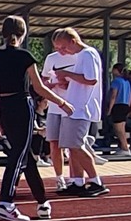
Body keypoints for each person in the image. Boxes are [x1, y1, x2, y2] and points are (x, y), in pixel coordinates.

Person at [0, 16, 67, 221]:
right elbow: (39, 87)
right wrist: (62, 102)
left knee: (27, 156)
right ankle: (6, 202)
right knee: (18, 155)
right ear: (23, 34)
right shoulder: (25, 56)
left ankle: (42, 202)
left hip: (4, 107)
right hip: (22, 105)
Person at [42, 28, 106, 196]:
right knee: (71, 145)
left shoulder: (87, 54)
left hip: (81, 106)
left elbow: (91, 79)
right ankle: (77, 180)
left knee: (76, 144)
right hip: (73, 105)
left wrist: (66, 74)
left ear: (73, 41)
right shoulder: (83, 55)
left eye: (63, 47)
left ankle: (95, 180)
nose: (62, 52)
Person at [106, 61, 131, 155]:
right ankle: (124, 147)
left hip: (118, 105)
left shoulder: (116, 81)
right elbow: (129, 96)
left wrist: (110, 109)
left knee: (118, 128)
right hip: (125, 105)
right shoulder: (126, 82)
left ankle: (124, 147)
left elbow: (113, 96)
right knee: (122, 127)